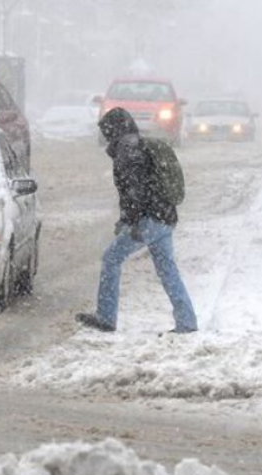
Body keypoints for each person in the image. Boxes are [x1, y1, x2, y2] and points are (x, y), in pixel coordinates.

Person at [75, 108, 198, 334]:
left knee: (111, 259)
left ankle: (106, 317)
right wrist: (127, 219)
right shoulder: (138, 144)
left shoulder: (126, 150)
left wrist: (133, 223)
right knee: (167, 269)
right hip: (165, 217)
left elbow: (134, 191)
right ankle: (187, 320)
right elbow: (139, 188)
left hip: (149, 220)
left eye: (106, 131)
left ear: (114, 129)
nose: (105, 137)